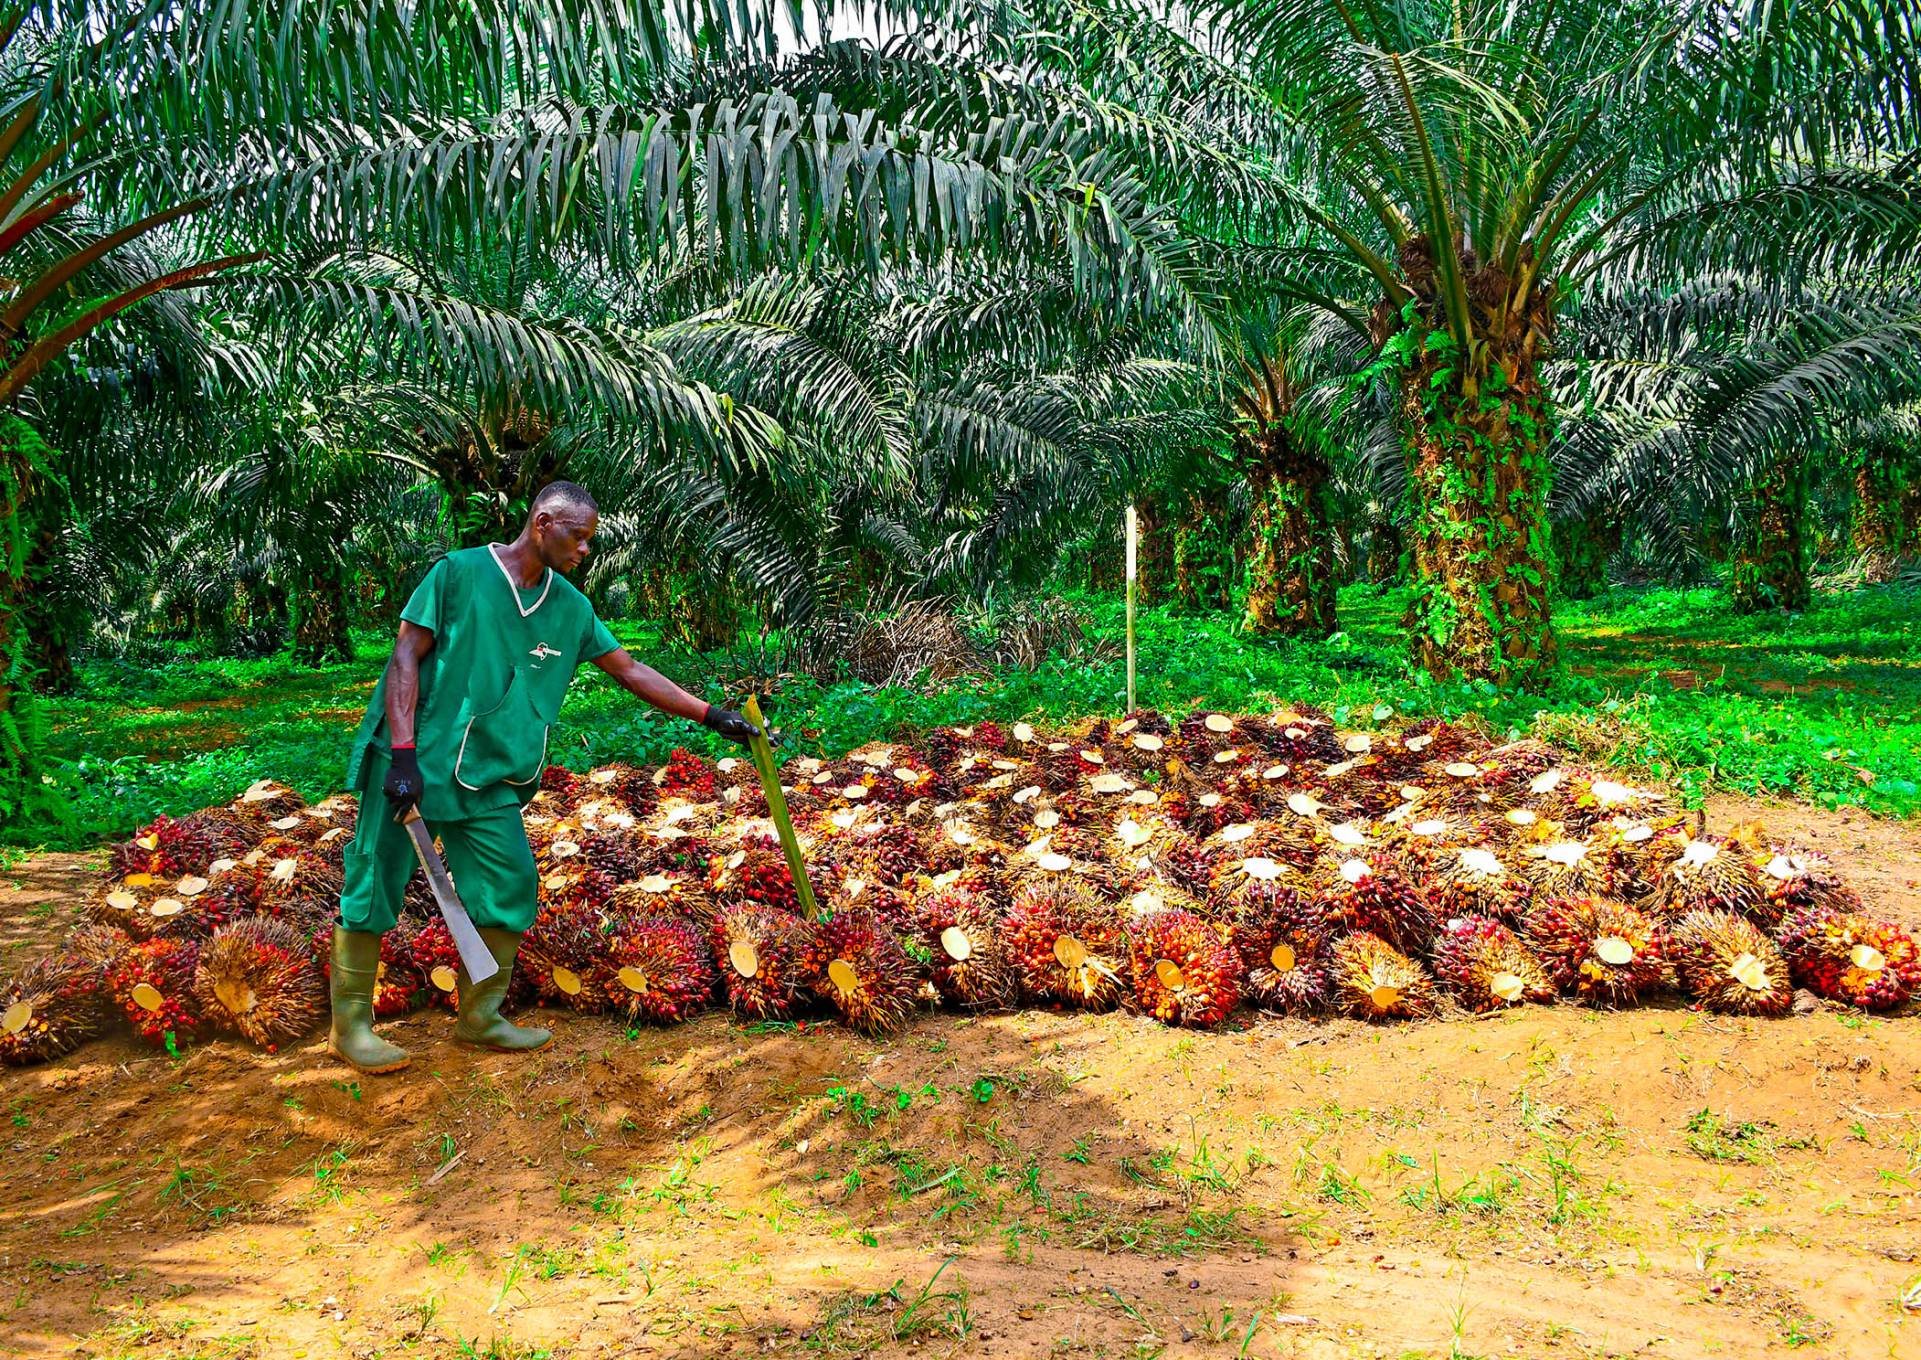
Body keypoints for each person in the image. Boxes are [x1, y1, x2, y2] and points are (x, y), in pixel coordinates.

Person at [328, 481, 757, 1073]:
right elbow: (405, 655)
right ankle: (350, 1027)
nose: (586, 551)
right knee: (375, 882)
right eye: (578, 538)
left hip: (492, 774)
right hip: (414, 761)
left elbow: (629, 669)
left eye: (590, 541)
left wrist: (711, 715)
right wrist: (401, 754)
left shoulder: (570, 609)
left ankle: (480, 1018)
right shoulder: (458, 575)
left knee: (510, 884)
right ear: (543, 523)